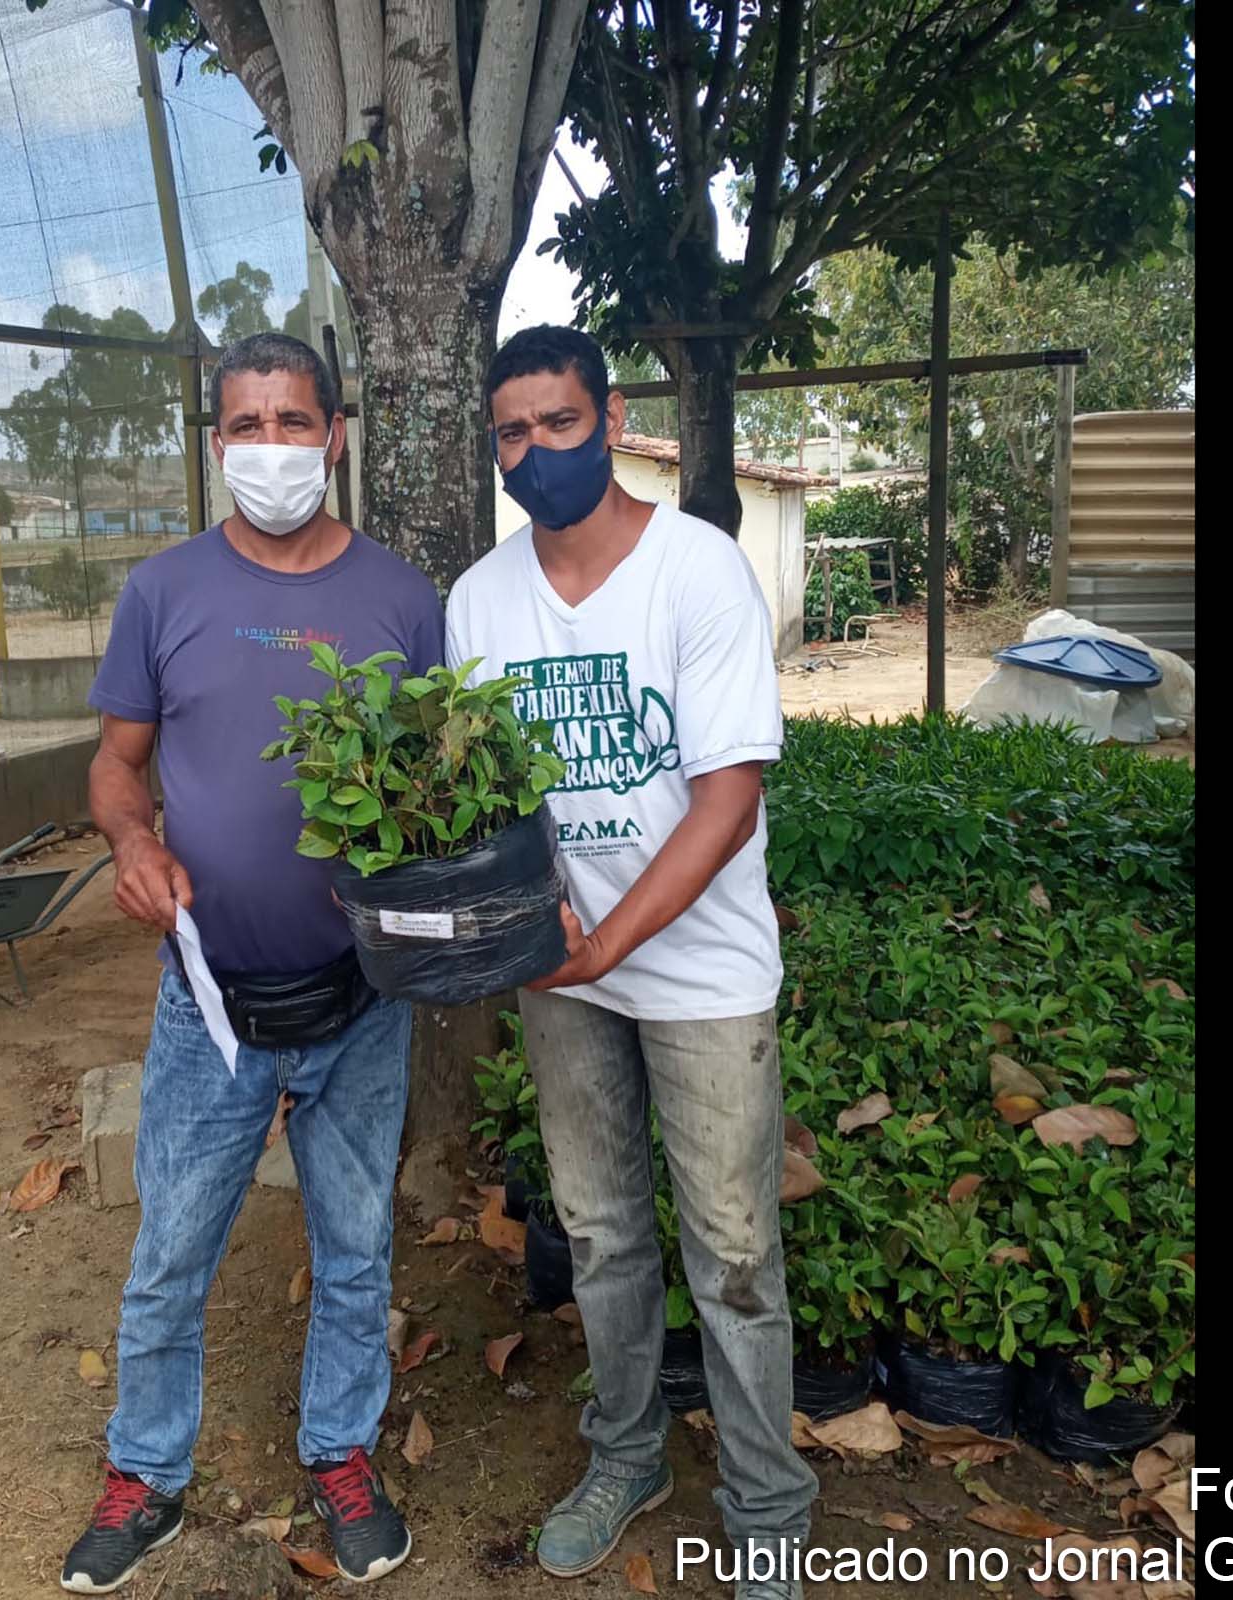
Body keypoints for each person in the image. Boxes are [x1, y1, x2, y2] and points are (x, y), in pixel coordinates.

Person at [62, 331, 442, 1595]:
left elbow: (436, 785)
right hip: (208, 1003)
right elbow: (118, 763)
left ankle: (339, 1453)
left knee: (355, 1245)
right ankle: (147, 1473)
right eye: (246, 426)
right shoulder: (164, 592)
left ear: (335, 434)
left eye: (294, 422)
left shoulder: (400, 600)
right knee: (170, 1247)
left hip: (361, 999)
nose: (271, 447)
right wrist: (130, 839)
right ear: (215, 444)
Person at [444, 325, 819, 1599]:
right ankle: (628, 1453)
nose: (532, 450)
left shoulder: (699, 573)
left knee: (731, 1248)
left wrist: (604, 938)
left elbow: (725, 802)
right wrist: (515, 929)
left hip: (703, 976)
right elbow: (483, 798)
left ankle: (770, 1498)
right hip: (562, 976)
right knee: (601, 1234)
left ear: (608, 421)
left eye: (556, 423)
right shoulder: (479, 602)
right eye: (510, 432)